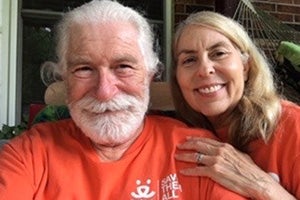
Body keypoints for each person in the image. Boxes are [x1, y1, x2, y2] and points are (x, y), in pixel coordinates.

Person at [0, 1, 247, 199]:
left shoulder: (201, 153)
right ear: (65, 79)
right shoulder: (29, 154)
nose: (104, 91)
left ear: (150, 74)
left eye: (124, 66)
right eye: (84, 69)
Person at [171, 11, 300, 200]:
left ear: (246, 67)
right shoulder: (176, 136)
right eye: (189, 60)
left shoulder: (292, 125)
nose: (205, 69)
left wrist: (261, 186)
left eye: (219, 53)